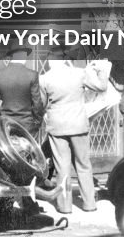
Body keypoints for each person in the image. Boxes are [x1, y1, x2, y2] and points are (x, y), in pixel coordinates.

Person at [40, 46, 107, 213]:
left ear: (50, 60)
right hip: (78, 124)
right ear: (65, 60)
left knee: (62, 166)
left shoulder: (44, 78)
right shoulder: (79, 73)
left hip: (57, 126)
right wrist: (100, 69)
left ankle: (64, 206)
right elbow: (101, 87)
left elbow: (41, 105)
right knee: (83, 164)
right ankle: (89, 204)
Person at [0, 39, 46, 137]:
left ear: (12, 56)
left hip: (6, 124)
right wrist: (37, 123)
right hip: (27, 126)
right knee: (27, 152)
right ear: (24, 55)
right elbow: (37, 104)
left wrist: (0, 117)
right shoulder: (32, 75)